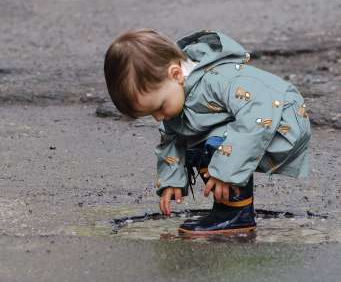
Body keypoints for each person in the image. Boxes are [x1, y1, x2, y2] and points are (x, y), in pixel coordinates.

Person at [104, 29, 311, 235]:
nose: (158, 117)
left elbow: (256, 120)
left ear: (176, 74)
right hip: (256, 123)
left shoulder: (216, 81)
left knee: (210, 145)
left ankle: (235, 215)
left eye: (159, 107)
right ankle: (230, 209)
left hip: (282, 122)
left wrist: (226, 171)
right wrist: (171, 181)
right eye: (150, 113)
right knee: (197, 142)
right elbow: (171, 139)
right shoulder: (177, 92)